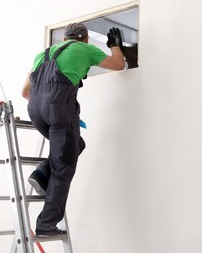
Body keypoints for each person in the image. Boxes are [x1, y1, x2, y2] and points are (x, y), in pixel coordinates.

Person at [21, 23, 125, 237]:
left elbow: (24, 92)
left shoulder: (43, 54)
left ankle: (41, 173)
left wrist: (49, 103)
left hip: (35, 111)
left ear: (65, 38)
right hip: (58, 109)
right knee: (64, 166)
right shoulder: (84, 49)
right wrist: (114, 45)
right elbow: (119, 64)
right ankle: (46, 224)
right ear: (85, 39)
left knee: (76, 145)